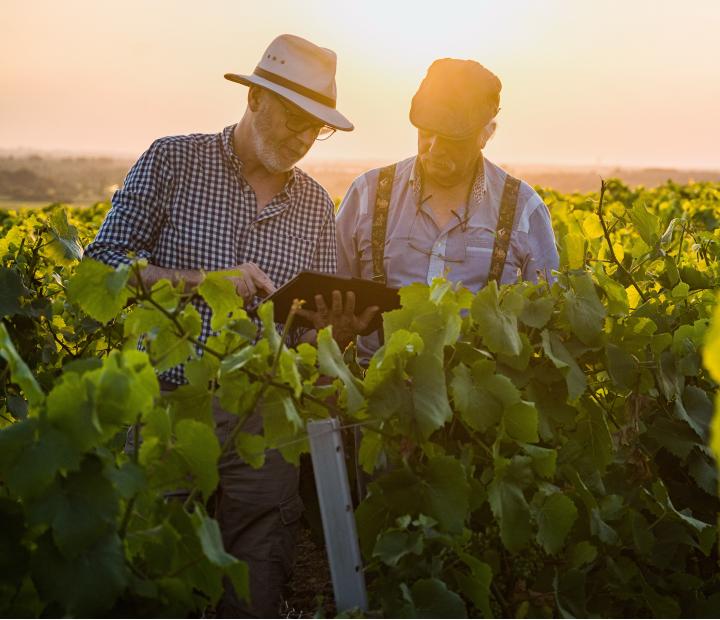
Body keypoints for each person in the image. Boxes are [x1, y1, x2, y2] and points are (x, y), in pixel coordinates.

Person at [86, 34, 373, 617]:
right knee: (157, 568)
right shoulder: (172, 160)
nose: (300, 140)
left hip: (266, 419)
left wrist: (335, 329)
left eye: (314, 131)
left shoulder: (317, 204)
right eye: (295, 120)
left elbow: (306, 337)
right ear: (255, 99)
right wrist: (208, 280)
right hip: (167, 403)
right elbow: (101, 269)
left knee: (256, 577)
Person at [335, 58, 560, 361]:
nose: (435, 148)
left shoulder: (523, 208)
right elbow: (328, 303)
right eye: (427, 132)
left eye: (453, 138)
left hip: (481, 398)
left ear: (486, 134)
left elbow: (547, 319)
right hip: (376, 393)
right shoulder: (367, 194)